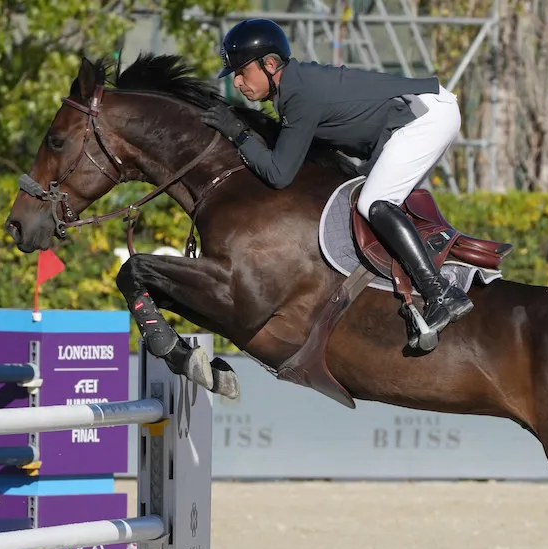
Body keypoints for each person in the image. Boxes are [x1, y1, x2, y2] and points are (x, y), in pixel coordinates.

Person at [200, 18, 473, 346]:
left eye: (242, 72)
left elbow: (278, 173)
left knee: (374, 202)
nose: (239, 82)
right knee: (364, 201)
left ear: (270, 64)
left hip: (425, 117)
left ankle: (440, 292)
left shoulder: (299, 94)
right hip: (403, 122)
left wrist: (238, 133)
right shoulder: (292, 89)